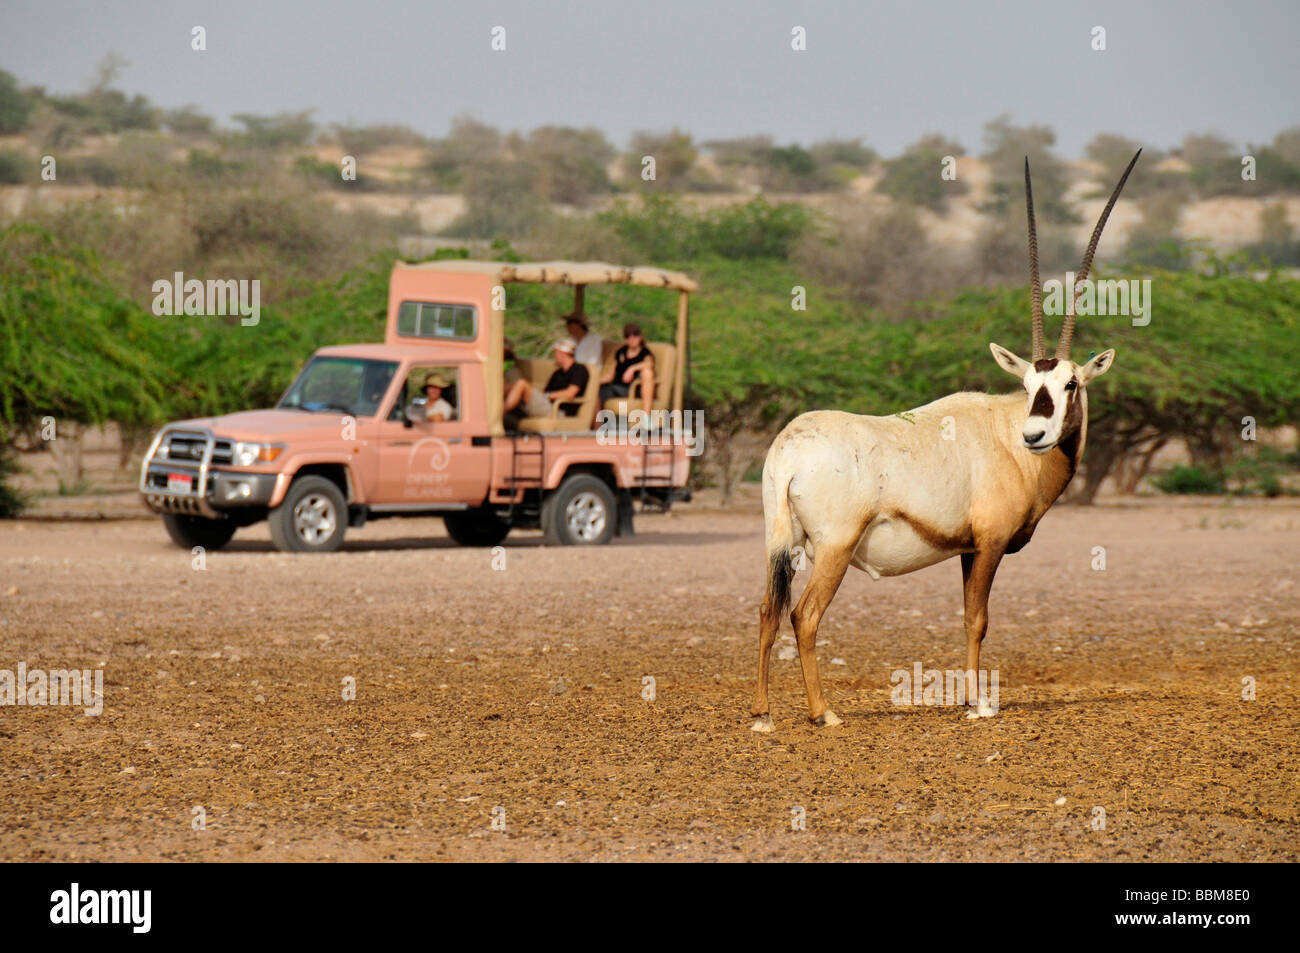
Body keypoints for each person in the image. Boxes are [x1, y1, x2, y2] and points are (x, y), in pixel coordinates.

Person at [503, 338, 590, 421]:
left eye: (555, 353)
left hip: (558, 411)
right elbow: (546, 392)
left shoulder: (580, 370)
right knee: (508, 386)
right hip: (547, 405)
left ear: (562, 354)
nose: (554, 356)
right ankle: (493, 411)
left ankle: (500, 413)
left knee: (522, 384)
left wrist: (547, 396)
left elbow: (570, 393)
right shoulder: (557, 373)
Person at [598, 323, 656, 415]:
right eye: (628, 336)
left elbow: (649, 364)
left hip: (631, 389)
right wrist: (595, 382)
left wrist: (632, 368)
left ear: (640, 337)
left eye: (635, 335)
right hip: (615, 386)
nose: (632, 339)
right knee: (596, 390)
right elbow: (610, 375)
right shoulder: (621, 352)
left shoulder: (645, 353)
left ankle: (646, 416)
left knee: (602, 393)